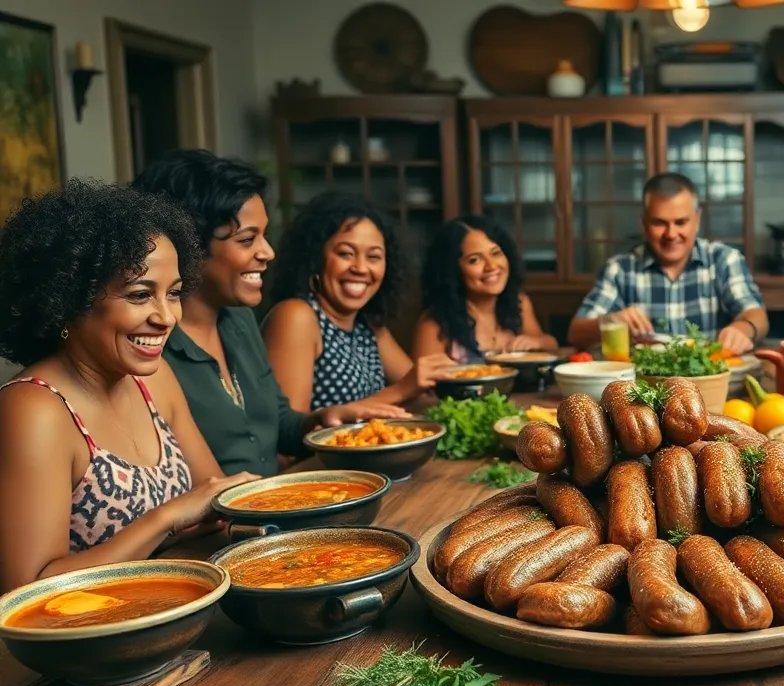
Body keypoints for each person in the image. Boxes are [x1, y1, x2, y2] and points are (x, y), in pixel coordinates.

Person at [0, 181, 257, 591]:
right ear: (69, 300)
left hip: (177, 606)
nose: (167, 317)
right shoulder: (35, 409)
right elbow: (29, 588)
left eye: (172, 294)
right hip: (87, 642)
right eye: (140, 295)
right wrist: (166, 518)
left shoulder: (152, 382)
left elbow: (214, 508)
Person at [132, 150, 407, 477]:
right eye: (248, 239)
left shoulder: (239, 319)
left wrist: (320, 422)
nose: (268, 252)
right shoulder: (150, 346)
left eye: (264, 236)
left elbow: (279, 422)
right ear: (190, 245)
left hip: (273, 505)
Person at [262, 191, 457, 410]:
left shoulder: (368, 325)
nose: (361, 268)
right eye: (345, 253)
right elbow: (289, 428)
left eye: (373, 257)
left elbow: (423, 397)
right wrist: (402, 390)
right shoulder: (296, 316)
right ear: (315, 257)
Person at [567, 173, 767, 354]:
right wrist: (610, 322)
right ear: (643, 223)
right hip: (644, 387)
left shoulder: (724, 260)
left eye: (681, 222)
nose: (671, 234)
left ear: (697, 221)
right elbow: (576, 334)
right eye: (659, 223)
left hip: (710, 383)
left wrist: (743, 329)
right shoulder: (620, 269)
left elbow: (756, 314)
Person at [413, 215, 558, 362]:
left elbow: (550, 345)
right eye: (475, 260)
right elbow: (424, 383)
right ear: (451, 270)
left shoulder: (519, 303)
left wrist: (537, 342)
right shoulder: (435, 322)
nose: (491, 266)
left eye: (495, 253)